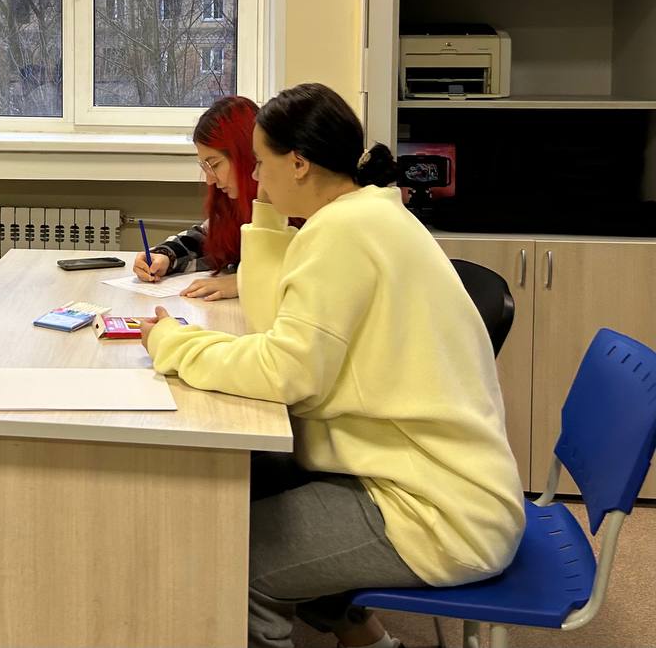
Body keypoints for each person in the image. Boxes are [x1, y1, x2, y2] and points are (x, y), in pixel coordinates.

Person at [139, 82, 525, 648]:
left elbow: (284, 373)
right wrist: (267, 215)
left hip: (436, 513)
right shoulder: (364, 215)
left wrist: (174, 345)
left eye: (261, 164)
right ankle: (370, 640)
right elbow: (274, 322)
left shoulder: (343, 233)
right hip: (435, 482)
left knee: (228, 560)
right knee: (256, 482)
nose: (253, 178)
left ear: (298, 163)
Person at [132, 94, 259, 301]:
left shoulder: (286, 205)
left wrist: (242, 282)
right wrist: (165, 256)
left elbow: (295, 270)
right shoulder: (234, 203)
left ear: (246, 155)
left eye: (214, 164)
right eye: (205, 167)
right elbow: (206, 239)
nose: (210, 179)